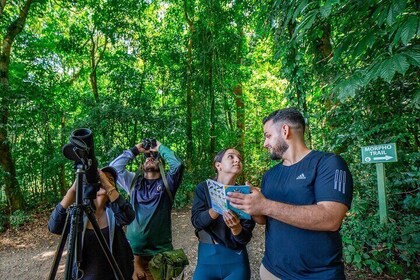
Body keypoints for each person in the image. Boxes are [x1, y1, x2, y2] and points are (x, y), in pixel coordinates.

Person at [228, 108, 354, 280]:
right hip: (271, 271)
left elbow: (331, 219)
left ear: (285, 131)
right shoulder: (270, 175)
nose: (265, 143)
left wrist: (265, 205)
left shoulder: (329, 163)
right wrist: (251, 206)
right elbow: (264, 219)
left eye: (268, 135)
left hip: (318, 275)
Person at [109, 139, 184, 280]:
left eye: (155, 158)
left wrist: (159, 147)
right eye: (147, 158)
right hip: (133, 255)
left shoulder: (168, 183)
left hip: (160, 254)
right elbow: (113, 169)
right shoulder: (133, 182)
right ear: (142, 166)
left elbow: (177, 165)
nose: (150, 158)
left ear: (161, 164)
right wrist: (136, 150)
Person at [48, 166, 135, 280]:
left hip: (116, 276)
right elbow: (54, 227)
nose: (104, 181)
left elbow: (128, 217)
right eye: (100, 179)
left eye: (110, 179)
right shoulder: (79, 214)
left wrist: (107, 185)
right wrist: (73, 190)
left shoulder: (114, 212)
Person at [191, 148, 256, 280]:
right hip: (206, 259)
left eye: (239, 158)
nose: (237, 160)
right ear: (218, 165)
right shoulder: (203, 188)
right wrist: (217, 207)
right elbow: (196, 221)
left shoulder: (246, 194)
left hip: (236, 262)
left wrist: (235, 228)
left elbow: (245, 238)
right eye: (231, 157)